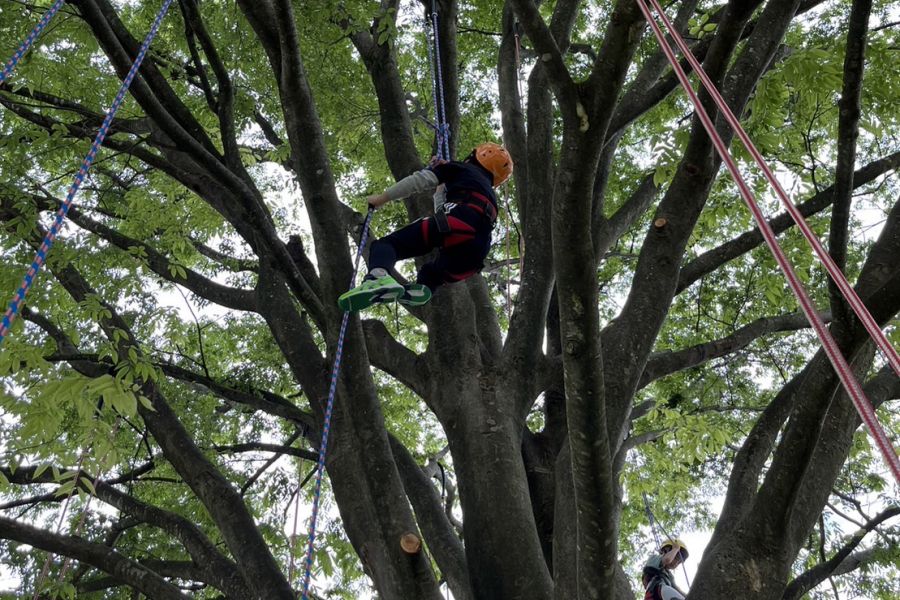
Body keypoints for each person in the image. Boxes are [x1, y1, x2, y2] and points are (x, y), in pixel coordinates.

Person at [338, 142, 513, 311]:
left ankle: (378, 276)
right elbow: (444, 214)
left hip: (458, 223)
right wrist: (440, 192)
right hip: (475, 255)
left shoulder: (460, 168)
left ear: (474, 157)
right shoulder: (487, 194)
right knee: (433, 272)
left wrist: (381, 199)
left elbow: (420, 181)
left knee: (387, 245)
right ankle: (422, 288)